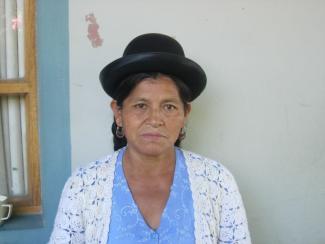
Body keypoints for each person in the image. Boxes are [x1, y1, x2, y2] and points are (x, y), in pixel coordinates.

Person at [49, 33, 251, 244]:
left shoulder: (218, 182)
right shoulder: (83, 186)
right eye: (140, 106)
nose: (155, 119)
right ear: (118, 113)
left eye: (169, 107)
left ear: (185, 114)